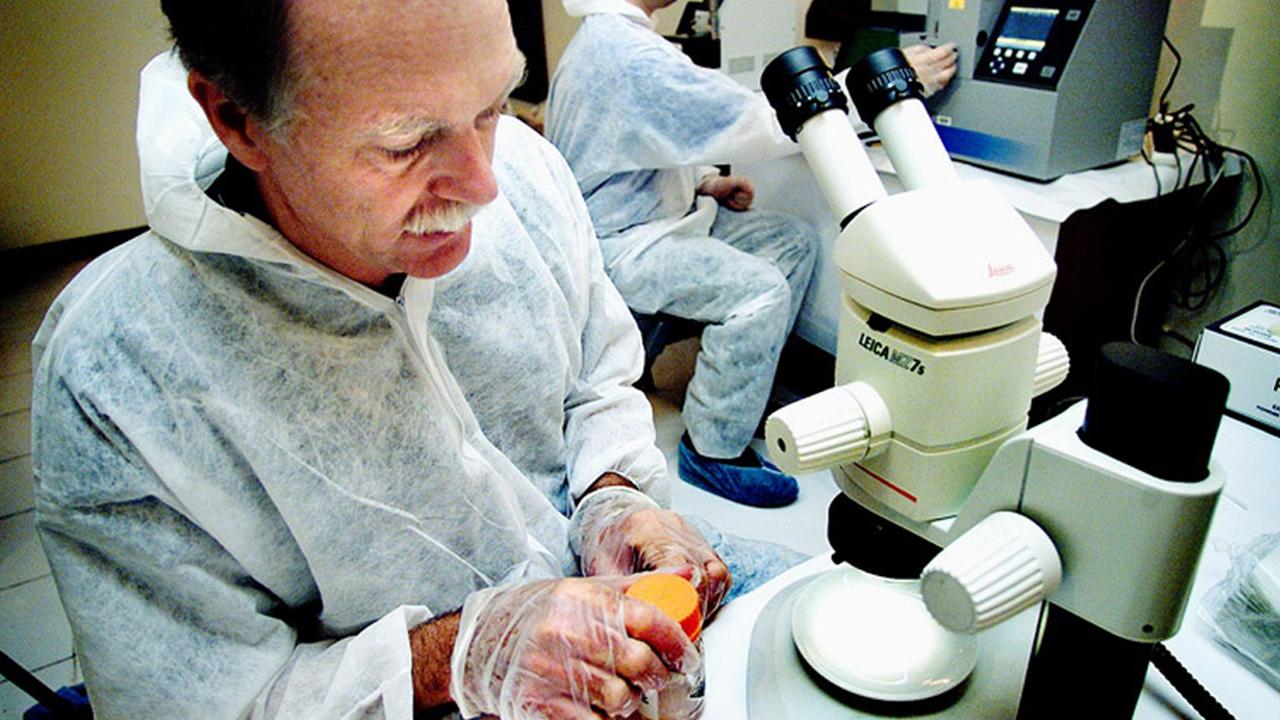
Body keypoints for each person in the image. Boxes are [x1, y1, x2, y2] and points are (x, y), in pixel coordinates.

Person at [30, 1, 802, 718]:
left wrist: (613, 496)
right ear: (239, 120)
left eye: (493, 107)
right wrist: (460, 656)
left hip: (606, 590)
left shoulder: (527, 175)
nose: (482, 184)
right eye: (405, 143)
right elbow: (206, 703)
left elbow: (596, 379)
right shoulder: (120, 372)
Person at [545, 0, 957, 509]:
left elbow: (631, 142)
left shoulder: (616, 39)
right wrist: (876, 85)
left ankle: (741, 394)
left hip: (660, 219)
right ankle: (712, 449)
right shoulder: (623, 52)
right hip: (623, 241)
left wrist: (706, 182)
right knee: (758, 291)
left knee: (794, 243)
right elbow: (762, 121)